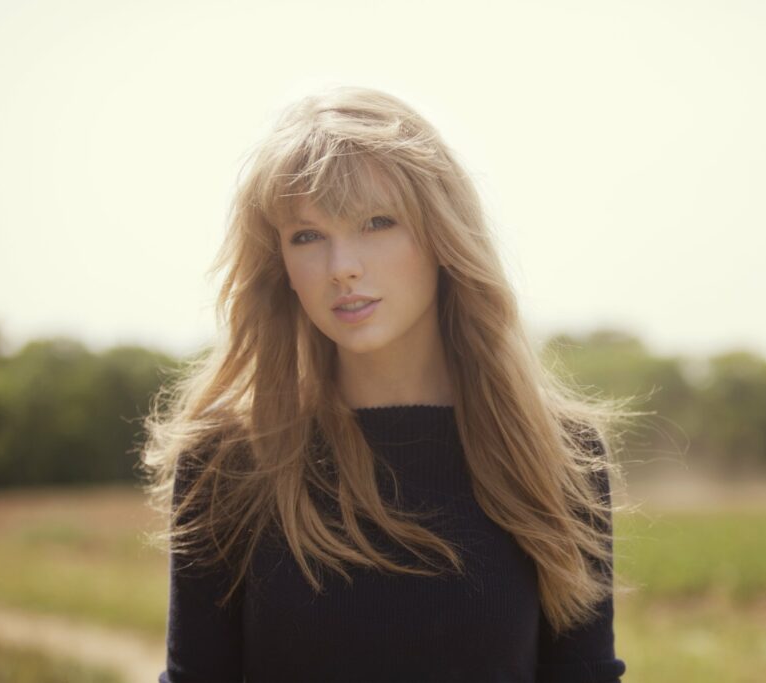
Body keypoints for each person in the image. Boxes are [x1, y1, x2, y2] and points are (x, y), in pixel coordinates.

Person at [140, 85, 637, 682]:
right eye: (306, 235)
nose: (341, 265)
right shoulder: (227, 462)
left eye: (376, 222)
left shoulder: (562, 456)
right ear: (282, 268)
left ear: (442, 237)